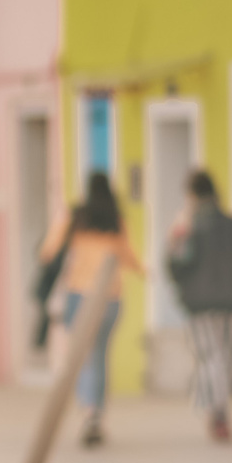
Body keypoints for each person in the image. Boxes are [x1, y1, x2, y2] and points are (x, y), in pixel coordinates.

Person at [39, 170, 140, 447]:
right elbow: (130, 257)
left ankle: (89, 412)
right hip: (111, 297)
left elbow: (48, 252)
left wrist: (61, 222)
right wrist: (145, 271)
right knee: (100, 356)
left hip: (79, 296)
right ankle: (96, 414)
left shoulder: (76, 218)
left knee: (85, 356)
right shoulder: (115, 220)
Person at [167, 169, 232, 442]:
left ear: (192, 196)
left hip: (202, 307)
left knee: (212, 358)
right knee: (225, 359)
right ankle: (220, 411)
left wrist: (175, 238)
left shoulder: (189, 229)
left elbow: (175, 268)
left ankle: (218, 411)